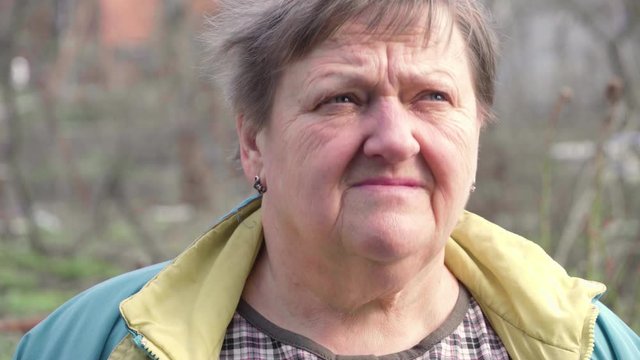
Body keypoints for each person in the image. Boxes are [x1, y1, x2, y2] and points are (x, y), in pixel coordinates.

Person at [13, 0, 640, 359]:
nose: (395, 138)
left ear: (477, 128)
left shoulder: (588, 348)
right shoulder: (86, 346)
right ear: (254, 140)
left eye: (432, 97)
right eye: (342, 98)